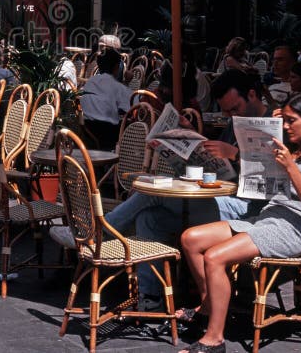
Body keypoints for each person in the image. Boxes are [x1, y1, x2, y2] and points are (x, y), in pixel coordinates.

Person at [178, 92, 301, 353]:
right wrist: (272, 126)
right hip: (265, 220)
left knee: (215, 257)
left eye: (292, 121)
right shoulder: (291, 150)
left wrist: (291, 169)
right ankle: (209, 306)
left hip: (290, 230)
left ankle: (214, 339)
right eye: (285, 120)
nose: (287, 126)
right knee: (191, 239)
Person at [102, 69, 269, 312]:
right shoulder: (235, 123)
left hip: (247, 209)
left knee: (154, 191)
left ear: (252, 95)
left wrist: (236, 154)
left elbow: (275, 175)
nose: (231, 116)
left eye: (234, 109)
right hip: (219, 197)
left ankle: (105, 231)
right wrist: (189, 137)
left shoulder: (275, 125)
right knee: (151, 218)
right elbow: (218, 165)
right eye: (226, 111)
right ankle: (151, 300)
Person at [80, 49, 132, 150]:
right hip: (109, 135)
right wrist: (127, 83)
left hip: (89, 132)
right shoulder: (117, 87)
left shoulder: (90, 82)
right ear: (117, 67)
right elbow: (131, 107)